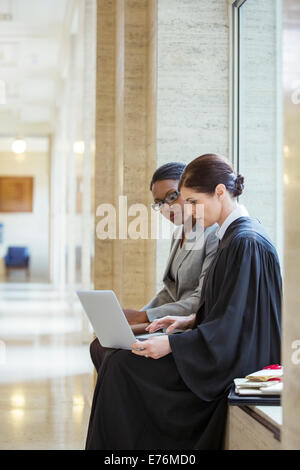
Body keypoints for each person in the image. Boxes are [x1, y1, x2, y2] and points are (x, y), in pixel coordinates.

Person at [85, 153, 281, 450]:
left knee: (121, 366)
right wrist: (187, 322)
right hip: (215, 348)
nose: (187, 210)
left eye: (192, 202)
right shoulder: (232, 237)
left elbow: (235, 328)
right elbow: (228, 309)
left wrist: (173, 344)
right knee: (115, 358)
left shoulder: (244, 242)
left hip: (230, 361)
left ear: (219, 192)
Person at [90, 162, 219, 371]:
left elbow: (201, 299)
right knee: (100, 346)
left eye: (172, 196)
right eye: (159, 203)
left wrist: (144, 318)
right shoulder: (181, 232)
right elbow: (170, 291)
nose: (167, 208)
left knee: (116, 357)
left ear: (189, 189)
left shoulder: (211, 233)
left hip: (189, 329)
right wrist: (139, 316)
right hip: (168, 324)